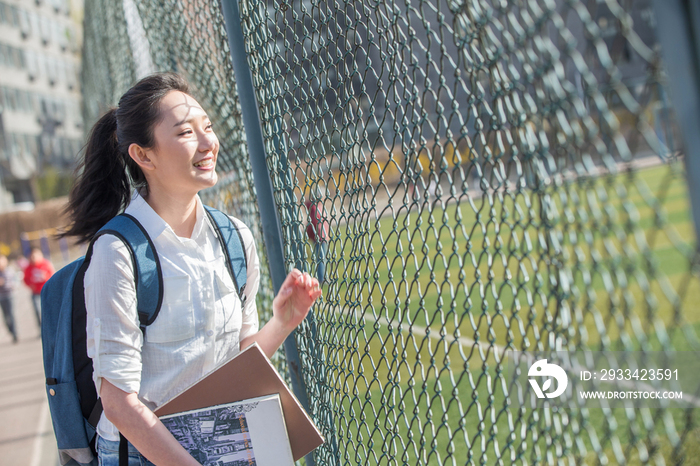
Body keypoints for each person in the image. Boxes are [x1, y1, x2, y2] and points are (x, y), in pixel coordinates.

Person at [61, 72, 322, 466]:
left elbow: (236, 362)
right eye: (186, 133)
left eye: (209, 127)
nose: (208, 143)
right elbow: (117, 403)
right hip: (145, 452)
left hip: (223, 439)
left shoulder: (235, 236)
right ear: (143, 155)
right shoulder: (118, 253)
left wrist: (282, 323)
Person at [22, 247, 54, 328]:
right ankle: (41, 327)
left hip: (46, 290)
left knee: (49, 309)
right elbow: (25, 279)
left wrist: (46, 278)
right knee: (38, 310)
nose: (33, 258)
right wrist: (30, 285)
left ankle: (51, 325)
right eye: (32, 256)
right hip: (35, 292)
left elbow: (53, 275)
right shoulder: (28, 267)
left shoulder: (46, 264)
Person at [0, 254, 18, 343]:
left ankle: (15, 333)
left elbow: (16, 280)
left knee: (11, 315)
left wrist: (14, 285)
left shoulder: (9, 271)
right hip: (1, 296)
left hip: (9, 295)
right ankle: (10, 330)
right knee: (5, 316)